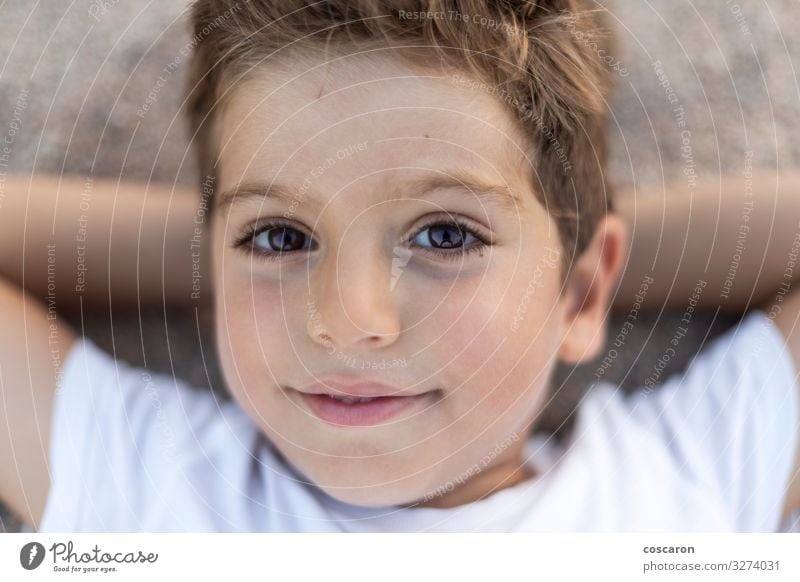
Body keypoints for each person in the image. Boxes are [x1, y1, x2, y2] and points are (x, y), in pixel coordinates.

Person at [0, 0, 797, 532]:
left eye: (446, 236)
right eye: (279, 238)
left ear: (587, 290)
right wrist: (222, 246)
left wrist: (571, 255)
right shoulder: (143, 483)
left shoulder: (689, 483)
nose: (349, 320)